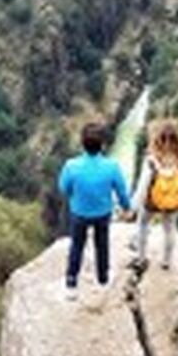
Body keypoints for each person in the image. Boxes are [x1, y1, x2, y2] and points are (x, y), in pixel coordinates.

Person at [58, 120, 132, 300]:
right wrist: (127, 208)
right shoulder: (112, 167)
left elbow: (64, 188)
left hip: (79, 213)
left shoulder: (71, 166)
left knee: (77, 246)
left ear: (82, 143)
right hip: (102, 213)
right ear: (103, 145)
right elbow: (121, 191)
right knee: (102, 245)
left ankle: (71, 282)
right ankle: (103, 279)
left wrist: (76, 195)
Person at [132, 117, 178, 271]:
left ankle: (141, 257)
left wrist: (136, 204)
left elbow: (143, 183)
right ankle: (166, 261)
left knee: (143, 224)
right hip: (172, 200)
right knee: (170, 228)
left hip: (152, 199)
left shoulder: (152, 158)